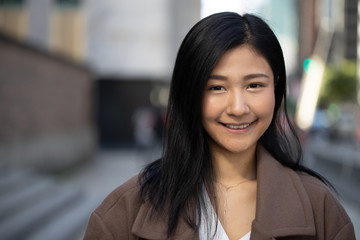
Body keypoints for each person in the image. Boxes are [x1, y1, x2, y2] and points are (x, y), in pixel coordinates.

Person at [84, 12, 356, 240]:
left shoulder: (322, 210)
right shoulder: (123, 214)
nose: (238, 108)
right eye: (216, 87)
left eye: (254, 85)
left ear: (277, 87)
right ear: (189, 94)